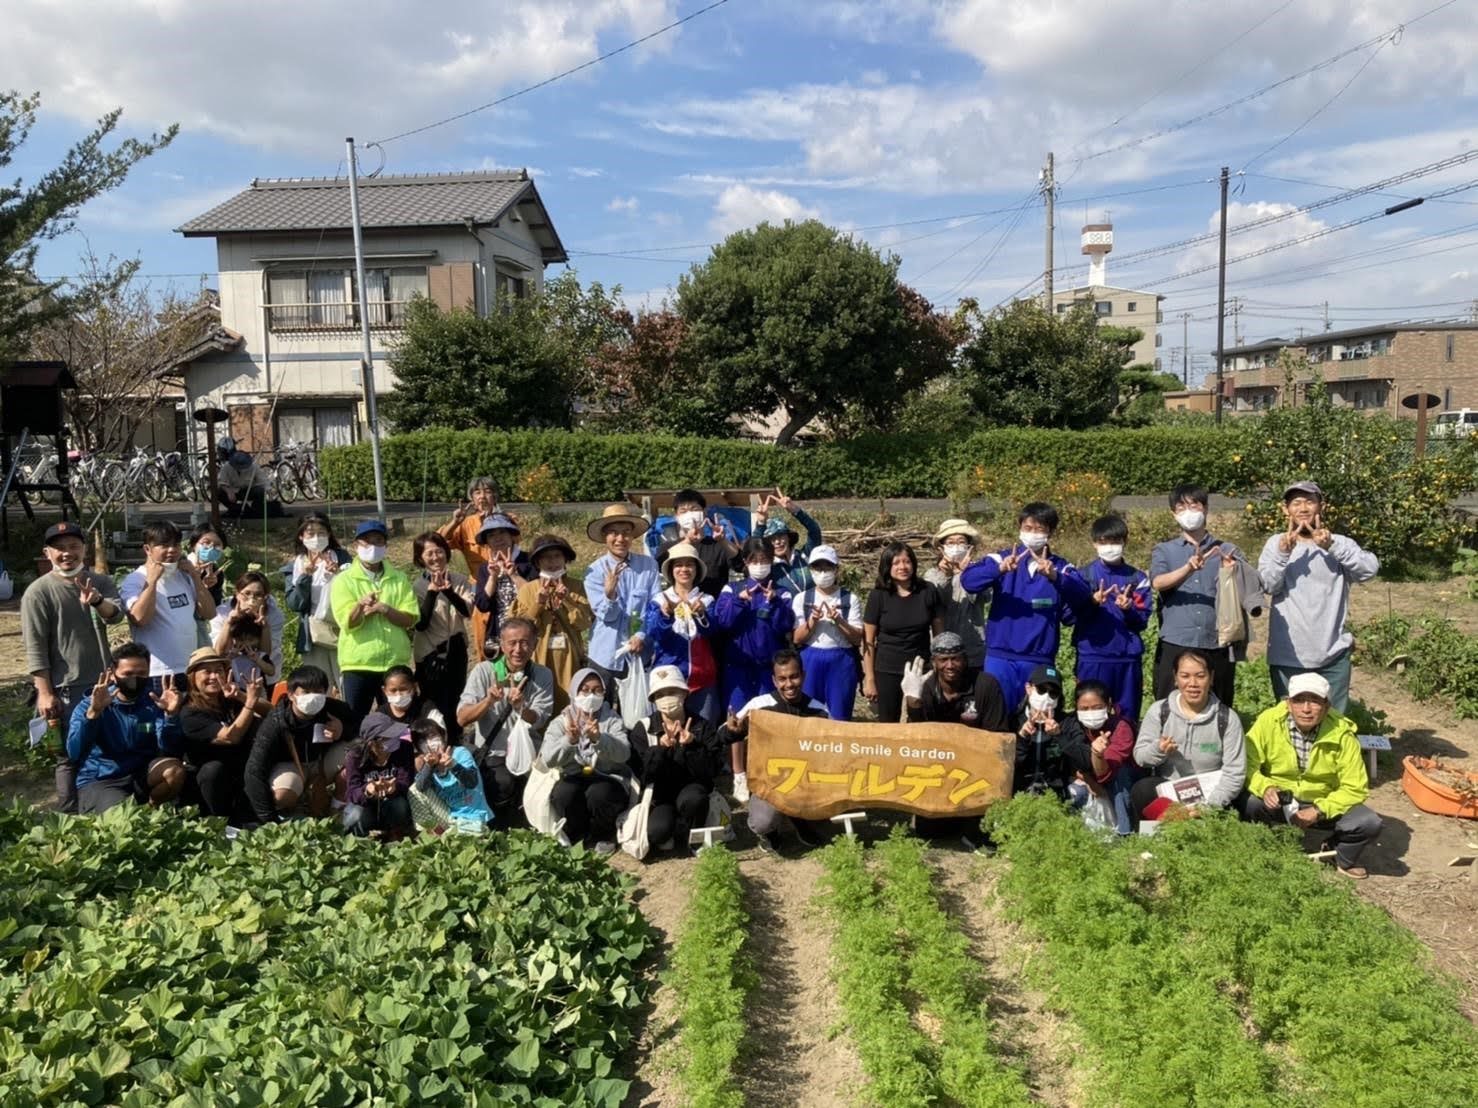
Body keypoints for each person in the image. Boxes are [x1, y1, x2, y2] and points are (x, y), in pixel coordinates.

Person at [22, 521, 124, 813]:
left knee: (106, 746)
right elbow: (35, 647)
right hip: (66, 686)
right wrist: (45, 692)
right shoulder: (38, 592)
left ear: (84, 550)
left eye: (73, 546)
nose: (67, 553)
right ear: (47, 553)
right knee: (69, 754)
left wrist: (97, 601)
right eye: (59, 548)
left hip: (104, 681)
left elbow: (116, 615)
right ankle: (69, 817)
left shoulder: (100, 582)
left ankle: (103, 809)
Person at [1238, 673, 1383, 878]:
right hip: (1282, 799)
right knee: (1249, 803)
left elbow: (1355, 787)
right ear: (1288, 703)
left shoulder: (1342, 733)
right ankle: (1269, 845)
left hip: (1323, 801)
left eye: (1314, 701)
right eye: (1299, 700)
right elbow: (1247, 764)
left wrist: (1319, 809)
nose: (1306, 709)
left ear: (1326, 706)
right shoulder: (1269, 721)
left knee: (1368, 822)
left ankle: (1338, 853)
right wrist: (1266, 787)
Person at [1257, 480, 1380, 712]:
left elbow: (1369, 570)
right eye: (1296, 503)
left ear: (1321, 506)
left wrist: (1332, 546)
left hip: (1332, 656)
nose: (1303, 508)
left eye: (1309, 502)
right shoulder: (1276, 544)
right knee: (1289, 721)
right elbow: (1269, 586)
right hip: (1289, 656)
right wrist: (1283, 554)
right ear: (1285, 509)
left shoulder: (1339, 543)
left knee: (1333, 721)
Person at [960, 503, 1089, 715]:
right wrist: (1000, 569)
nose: (1033, 534)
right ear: (1019, 528)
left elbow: (1083, 594)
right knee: (997, 716)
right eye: (1028, 528)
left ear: (1050, 532)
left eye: (1039, 529)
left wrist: (1054, 576)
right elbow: (969, 581)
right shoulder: (1001, 558)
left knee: (1036, 718)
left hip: (1039, 659)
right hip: (1000, 657)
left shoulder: (1060, 567)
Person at [1148, 484, 1261, 705]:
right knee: (1169, 704)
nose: (1188, 512)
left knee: (1219, 704)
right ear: (1173, 513)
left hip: (1217, 639)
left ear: (1206, 509)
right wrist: (1188, 568)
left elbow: (1252, 586)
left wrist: (1233, 571)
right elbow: (1158, 582)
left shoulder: (1227, 549)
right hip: (1177, 639)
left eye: (1194, 506)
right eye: (1181, 507)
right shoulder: (1165, 550)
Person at [713, 535, 797, 802]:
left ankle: (766, 770)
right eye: (754, 560)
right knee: (736, 718)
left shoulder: (782, 592)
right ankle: (738, 773)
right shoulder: (731, 589)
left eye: (764, 560)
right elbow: (722, 622)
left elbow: (786, 627)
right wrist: (740, 601)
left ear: (772, 561)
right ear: (745, 562)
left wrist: (775, 604)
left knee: (768, 719)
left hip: (767, 669)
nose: (760, 565)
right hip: (737, 668)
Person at [723, 649, 829, 853]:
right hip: (769, 782)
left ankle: (800, 820)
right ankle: (770, 833)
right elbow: (727, 733)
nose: (789, 684)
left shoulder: (819, 710)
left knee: (825, 810)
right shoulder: (758, 706)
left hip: (805, 779)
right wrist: (732, 731)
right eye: (782, 679)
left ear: (803, 675)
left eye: (794, 676)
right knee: (763, 822)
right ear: (774, 680)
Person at [65, 642, 186, 814]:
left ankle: (151, 810)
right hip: (102, 779)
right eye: (127, 674)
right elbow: (73, 751)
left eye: (141, 673)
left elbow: (169, 748)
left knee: (174, 771)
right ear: (113, 674)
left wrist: (171, 716)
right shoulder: (90, 704)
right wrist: (93, 714)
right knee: (122, 814)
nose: (134, 679)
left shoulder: (153, 702)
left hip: (141, 773)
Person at [1131, 648, 1246, 824]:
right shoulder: (1160, 711)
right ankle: (1156, 834)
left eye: (1200, 676)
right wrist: (1158, 749)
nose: (1193, 683)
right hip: (1170, 792)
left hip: (1211, 793)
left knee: (1243, 803)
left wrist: (1208, 806)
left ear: (1211, 678)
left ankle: (1199, 826)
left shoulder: (1227, 719)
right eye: (1185, 676)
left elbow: (1234, 773)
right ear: (1175, 678)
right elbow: (1140, 757)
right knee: (1143, 790)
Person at [457, 618, 555, 821]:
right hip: (493, 751)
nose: (518, 649)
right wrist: (488, 701)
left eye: (525, 642)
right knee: (503, 782)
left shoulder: (542, 674)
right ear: (502, 645)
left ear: (535, 644)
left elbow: (540, 718)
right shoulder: (484, 671)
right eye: (512, 643)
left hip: (530, 750)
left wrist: (521, 708)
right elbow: (462, 718)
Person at [627, 664, 728, 855]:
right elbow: (643, 775)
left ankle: (695, 835)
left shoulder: (701, 726)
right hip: (661, 795)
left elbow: (712, 770)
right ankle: (674, 826)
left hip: (692, 788)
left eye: (672, 692)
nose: (666, 698)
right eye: (660, 694)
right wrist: (660, 749)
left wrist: (692, 745)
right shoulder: (643, 729)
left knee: (694, 799)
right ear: (653, 700)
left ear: (684, 693)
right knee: (657, 833)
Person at [329, 520, 419, 723]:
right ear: (356, 546)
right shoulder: (343, 580)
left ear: (386, 546)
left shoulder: (399, 579)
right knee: (354, 721)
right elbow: (347, 623)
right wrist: (360, 606)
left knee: (398, 723)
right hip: (358, 664)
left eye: (378, 541)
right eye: (367, 542)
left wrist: (385, 609)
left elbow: (409, 619)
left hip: (394, 664)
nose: (373, 547)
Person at [242, 664, 355, 823]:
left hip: (322, 762)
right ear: (291, 695)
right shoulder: (276, 722)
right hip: (290, 766)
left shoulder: (335, 709)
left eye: (318, 691)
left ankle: (338, 807)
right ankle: (291, 810)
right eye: (306, 692)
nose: (313, 697)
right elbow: (254, 770)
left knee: (358, 751)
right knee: (283, 795)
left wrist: (343, 730)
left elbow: (364, 730)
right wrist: (268, 820)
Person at [1066, 514, 1152, 724]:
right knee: (1091, 716)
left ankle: (1126, 746)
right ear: (1095, 543)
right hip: (1092, 657)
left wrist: (1128, 609)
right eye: (1104, 542)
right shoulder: (1082, 576)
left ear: (1125, 542)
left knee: (1126, 719)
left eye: (1115, 541)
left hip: (1127, 659)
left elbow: (1142, 621)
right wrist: (1092, 602)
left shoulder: (1137, 578)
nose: (1110, 547)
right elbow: (1068, 616)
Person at [541, 668, 632, 854]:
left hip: (607, 776)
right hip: (572, 775)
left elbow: (624, 753)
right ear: (574, 692)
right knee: (564, 793)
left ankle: (603, 835)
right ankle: (575, 833)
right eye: (585, 690)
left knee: (599, 793)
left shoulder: (612, 719)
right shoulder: (561, 722)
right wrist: (569, 741)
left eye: (597, 690)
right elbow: (548, 759)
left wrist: (600, 739)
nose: (591, 695)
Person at [120, 520, 216, 687]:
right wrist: (152, 581)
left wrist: (195, 577)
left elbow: (209, 613)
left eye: (176, 544)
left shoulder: (184, 576)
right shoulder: (135, 579)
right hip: (157, 673)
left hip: (189, 668)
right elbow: (139, 619)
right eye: (164, 545)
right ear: (147, 549)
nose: (172, 550)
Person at [177, 647, 266, 820]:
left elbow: (271, 713)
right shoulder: (189, 712)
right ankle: (217, 821)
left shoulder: (229, 699)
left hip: (236, 770)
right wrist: (249, 704)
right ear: (193, 677)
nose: (213, 676)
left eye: (219, 671)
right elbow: (231, 738)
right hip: (206, 779)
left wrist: (241, 696)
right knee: (213, 770)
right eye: (207, 672)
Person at [511, 534, 593, 713]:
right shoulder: (528, 590)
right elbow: (519, 628)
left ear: (565, 560)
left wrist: (568, 600)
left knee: (571, 704)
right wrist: (538, 604)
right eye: (546, 557)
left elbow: (584, 623)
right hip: (538, 656)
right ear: (538, 562)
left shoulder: (576, 586)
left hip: (570, 657)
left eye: (557, 556)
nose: (552, 562)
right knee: (540, 704)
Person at [863, 541, 944, 724]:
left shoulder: (928, 591)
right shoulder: (878, 595)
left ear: (913, 564)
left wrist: (938, 669)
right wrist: (870, 678)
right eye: (896, 562)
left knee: (920, 720)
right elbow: (868, 641)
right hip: (887, 668)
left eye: (907, 561)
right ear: (887, 566)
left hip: (920, 667)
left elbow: (939, 635)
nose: (902, 567)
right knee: (888, 724)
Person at [582, 504, 661, 692]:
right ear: (604, 536)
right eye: (613, 533)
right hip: (605, 653)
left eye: (626, 533)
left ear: (632, 536)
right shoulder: (594, 571)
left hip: (640, 652)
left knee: (638, 707)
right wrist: (610, 595)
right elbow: (607, 616)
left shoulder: (648, 565)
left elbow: (655, 606)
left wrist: (641, 635)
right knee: (600, 704)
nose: (620, 539)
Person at [643, 542, 723, 723]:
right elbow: (654, 633)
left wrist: (701, 614)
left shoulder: (707, 600)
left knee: (704, 729)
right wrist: (666, 615)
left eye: (689, 564)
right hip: (669, 679)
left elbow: (713, 631)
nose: (684, 569)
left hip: (702, 678)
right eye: (678, 565)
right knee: (669, 728)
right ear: (671, 570)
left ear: (696, 569)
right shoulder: (659, 600)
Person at [410, 531, 475, 731]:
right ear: (420, 558)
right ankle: (432, 739)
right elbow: (421, 624)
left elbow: (467, 611)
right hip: (430, 652)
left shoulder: (460, 580)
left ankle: (455, 739)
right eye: (429, 553)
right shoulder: (417, 587)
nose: (435, 557)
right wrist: (432, 592)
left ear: (446, 553)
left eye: (439, 551)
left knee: (456, 697)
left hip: (456, 649)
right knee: (432, 701)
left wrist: (448, 591)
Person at [1056, 679, 1139, 835]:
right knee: (1074, 792)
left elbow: (1105, 773)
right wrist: (1088, 779)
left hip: (1116, 779)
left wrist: (1097, 754)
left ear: (1108, 704)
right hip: (1086, 777)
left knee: (1120, 778)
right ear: (1076, 707)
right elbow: (1071, 759)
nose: (1090, 713)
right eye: (1084, 709)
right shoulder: (1073, 724)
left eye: (1097, 708)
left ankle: (1125, 832)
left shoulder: (1121, 727)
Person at [791, 545, 864, 722]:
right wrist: (812, 621)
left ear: (836, 569)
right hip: (810, 658)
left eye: (828, 567)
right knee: (809, 714)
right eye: (818, 568)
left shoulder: (850, 599)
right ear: (810, 570)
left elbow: (857, 639)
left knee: (840, 714)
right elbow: (797, 638)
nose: (822, 573)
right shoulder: (802, 598)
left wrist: (839, 621)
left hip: (841, 659)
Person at [284, 513, 352, 691]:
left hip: (343, 629)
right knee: (318, 685)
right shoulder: (295, 565)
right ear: (301, 536)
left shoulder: (342, 558)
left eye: (321, 533)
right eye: (310, 533)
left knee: (346, 683)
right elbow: (294, 604)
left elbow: (356, 591)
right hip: (313, 634)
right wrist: (305, 577)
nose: (316, 538)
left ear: (329, 534)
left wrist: (339, 574)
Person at [903, 632, 1010, 731]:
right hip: (936, 743)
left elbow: (997, 732)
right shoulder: (925, 687)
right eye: (943, 660)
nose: (950, 666)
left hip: (977, 743)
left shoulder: (986, 685)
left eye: (955, 659)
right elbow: (917, 734)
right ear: (934, 662)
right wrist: (913, 702)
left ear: (965, 660)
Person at [409, 717, 494, 835]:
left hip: (473, 815)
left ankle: (450, 836)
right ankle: (436, 835)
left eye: (432, 736)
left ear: (443, 735)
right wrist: (429, 766)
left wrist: (453, 765)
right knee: (414, 790)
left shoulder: (460, 753)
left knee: (463, 842)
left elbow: (472, 783)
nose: (429, 742)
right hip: (450, 816)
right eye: (422, 740)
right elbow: (421, 787)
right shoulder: (428, 765)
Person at [923, 519, 987, 674]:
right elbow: (932, 600)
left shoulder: (979, 572)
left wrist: (967, 574)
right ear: (941, 548)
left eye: (961, 542)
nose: (956, 547)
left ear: (969, 546)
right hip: (943, 651)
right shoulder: (932, 574)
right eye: (950, 543)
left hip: (973, 648)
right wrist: (945, 574)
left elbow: (983, 597)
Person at [472, 512, 535, 661]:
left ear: (511, 535)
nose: (498, 538)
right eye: (491, 535)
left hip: (528, 633)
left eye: (502, 532)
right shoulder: (484, 568)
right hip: (499, 634)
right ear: (487, 541)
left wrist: (514, 575)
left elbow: (535, 597)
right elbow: (482, 605)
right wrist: (493, 576)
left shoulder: (529, 561)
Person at [343, 714, 417, 839]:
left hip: (392, 802)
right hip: (365, 805)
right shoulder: (355, 756)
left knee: (400, 805)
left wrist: (395, 787)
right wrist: (367, 790)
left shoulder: (404, 748)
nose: (395, 739)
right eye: (388, 738)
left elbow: (406, 781)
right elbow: (352, 792)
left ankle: (396, 834)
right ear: (372, 742)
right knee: (354, 816)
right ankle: (360, 839)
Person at [655, 488, 739, 598]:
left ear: (704, 512)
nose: (689, 514)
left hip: (713, 605)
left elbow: (740, 564)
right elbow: (658, 564)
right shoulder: (668, 546)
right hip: (680, 605)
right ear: (676, 516)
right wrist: (688, 540)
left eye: (694, 509)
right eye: (683, 511)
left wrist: (723, 540)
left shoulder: (718, 545)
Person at [209, 570, 285, 685]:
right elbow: (218, 652)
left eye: (258, 595)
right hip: (231, 675)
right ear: (237, 593)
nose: (251, 600)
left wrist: (265, 627)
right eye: (247, 594)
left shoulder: (274, 615)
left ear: (265, 597)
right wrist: (228, 623)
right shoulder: (222, 612)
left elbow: (265, 653)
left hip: (262, 676)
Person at [1010, 664, 1073, 799]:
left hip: (1055, 794)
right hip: (1019, 792)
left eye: (1053, 693)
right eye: (1041, 689)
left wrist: (1059, 736)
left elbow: (1079, 761)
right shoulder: (1014, 720)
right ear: (1028, 688)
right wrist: (1022, 737)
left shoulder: (1067, 722)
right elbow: (1008, 764)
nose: (1046, 696)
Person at [752, 489, 823, 594]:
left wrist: (795, 510)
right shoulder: (767, 566)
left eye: (781, 536)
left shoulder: (804, 556)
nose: (777, 542)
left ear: (788, 537)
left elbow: (814, 530)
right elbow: (753, 549)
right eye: (772, 539)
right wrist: (761, 523)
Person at [438, 476, 501, 575]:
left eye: (487, 492)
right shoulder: (466, 524)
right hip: (477, 581)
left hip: (504, 579)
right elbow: (438, 541)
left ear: (495, 496)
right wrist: (455, 522)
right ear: (472, 499)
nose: (482, 496)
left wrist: (491, 519)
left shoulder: (507, 520)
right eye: (477, 492)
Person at [215, 436, 272, 518]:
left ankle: (255, 511)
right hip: (235, 491)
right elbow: (221, 482)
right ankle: (235, 509)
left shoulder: (253, 467)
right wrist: (228, 491)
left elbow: (264, 481)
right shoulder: (226, 467)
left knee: (260, 491)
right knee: (219, 492)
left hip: (249, 490)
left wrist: (268, 491)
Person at [186, 523, 230, 607]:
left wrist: (205, 588)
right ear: (193, 545)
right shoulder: (182, 567)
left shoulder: (216, 574)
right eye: (206, 542)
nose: (211, 547)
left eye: (217, 544)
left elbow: (215, 606)